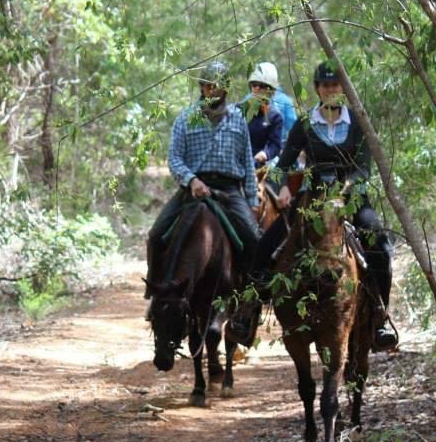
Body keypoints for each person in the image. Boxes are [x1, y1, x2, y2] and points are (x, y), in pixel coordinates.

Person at [237, 60, 398, 350]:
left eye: (335, 85)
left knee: (380, 245)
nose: (331, 90)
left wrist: (344, 190)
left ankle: (380, 316)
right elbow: (283, 165)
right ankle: (248, 314)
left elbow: (363, 168)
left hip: (351, 199)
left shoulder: (358, 122)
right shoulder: (305, 123)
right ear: (318, 89)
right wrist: (285, 188)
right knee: (266, 245)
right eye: (325, 86)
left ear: (343, 88)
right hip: (311, 198)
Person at [145, 61, 260, 299]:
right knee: (156, 235)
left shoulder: (238, 119)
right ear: (202, 88)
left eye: (217, 87)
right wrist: (192, 180)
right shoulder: (185, 118)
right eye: (208, 86)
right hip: (193, 189)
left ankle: (249, 297)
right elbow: (175, 159)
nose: (212, 91)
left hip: (229, 190)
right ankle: (157, 291)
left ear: (225, 89)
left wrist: (251, 200)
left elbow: (247, 161)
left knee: (253, 238)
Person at [243, 62, 285, 168]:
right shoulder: (239, 110)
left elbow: (275, 145)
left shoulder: (275, 116)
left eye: (261, 86)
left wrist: (265, 154)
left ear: (271, 90)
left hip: (259, 165)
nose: (257, 89)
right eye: (254, 85)